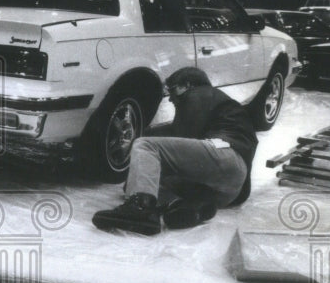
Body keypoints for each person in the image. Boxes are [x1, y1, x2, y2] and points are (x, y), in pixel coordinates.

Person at [92, 67, 258, 236]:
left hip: (223, 155)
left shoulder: (200, 93)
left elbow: (182, 134)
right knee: (155, 180)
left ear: (187, 85)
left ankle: (141, 208)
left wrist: (140, 138)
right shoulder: (219, 105)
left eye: (172, 90)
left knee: (145, 146)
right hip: (230, 186)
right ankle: (190, 207)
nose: (170, 98)